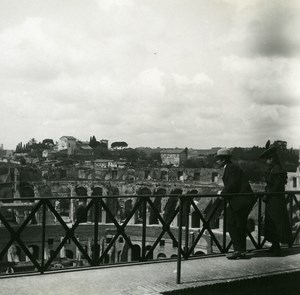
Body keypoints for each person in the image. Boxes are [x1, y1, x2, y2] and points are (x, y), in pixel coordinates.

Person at [216, 148, 257, 259]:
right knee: (239, 224)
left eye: (219, 159)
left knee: (231, 224)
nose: (217, 161)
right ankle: (241, 251)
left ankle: (238, 250)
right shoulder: (231, 167)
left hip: (241, 200)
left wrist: (221, 193)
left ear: (224, 159)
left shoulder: (231, 168)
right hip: (244, 199)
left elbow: (232, 185)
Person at [259, 143, 292, 256]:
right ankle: (275, 245)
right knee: (272, 222)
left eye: (268, 159)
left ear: (272, 159)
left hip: (276, 201)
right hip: (272, 200)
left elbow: (275, 187)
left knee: (276, 223)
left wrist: (267, 195)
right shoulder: (274, 169)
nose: (266, 161)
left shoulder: (277, 170)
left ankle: (277, 247)